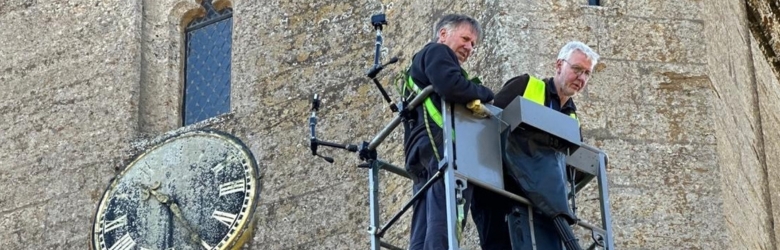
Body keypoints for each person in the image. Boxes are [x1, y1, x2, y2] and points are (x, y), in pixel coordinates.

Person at [470, 41, 599, 250]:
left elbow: (572, 168)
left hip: (539, 204)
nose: (581, 78)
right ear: (559, 65)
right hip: (497, 189)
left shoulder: (572, 119)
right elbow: (488, 121)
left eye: (587, 73)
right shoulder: (526, 85)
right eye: (576, 69)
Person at [401, 14, 495, 250]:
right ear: (443, 34)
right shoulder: (437, 52)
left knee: (425, 218)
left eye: (473, 44)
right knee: (447, 212)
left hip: (419, 148)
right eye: (465, 38)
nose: (469, 47)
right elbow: (450, 86)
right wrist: (485, 94)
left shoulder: (420, 63)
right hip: (438, 143)